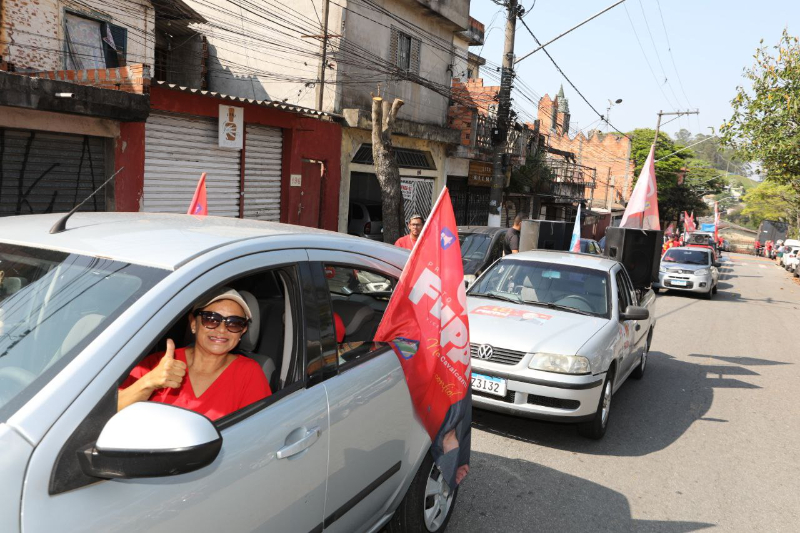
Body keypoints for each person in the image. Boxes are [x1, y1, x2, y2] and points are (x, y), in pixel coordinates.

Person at [118, 288, 271, 420]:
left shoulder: (249, 373)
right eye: (211, 319)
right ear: (193, 323)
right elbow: (109, 414)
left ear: (242, 331)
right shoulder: (159, 363)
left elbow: (256, 433)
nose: (222, 329)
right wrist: (148, 383)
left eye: (234, 323)